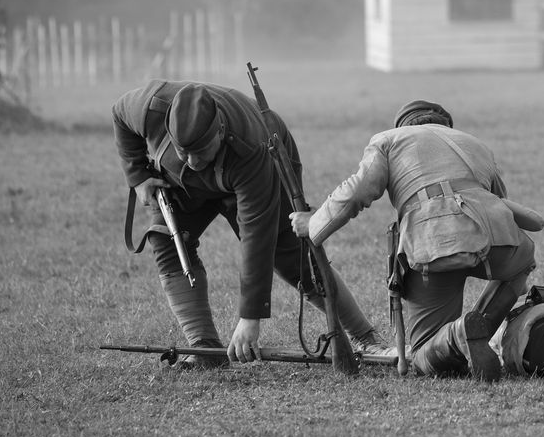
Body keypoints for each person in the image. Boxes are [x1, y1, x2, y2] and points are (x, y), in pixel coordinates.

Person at [113, 80, 388, 368]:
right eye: (184, 151)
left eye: (200, 151)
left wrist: (250, 317)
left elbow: (257, 236)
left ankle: (365, 336)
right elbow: (120, 113)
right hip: (184, 185)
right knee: (166, 239)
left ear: (219, 131)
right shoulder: (152, 106)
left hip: (262, 165)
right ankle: (204, 347)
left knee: (291, 257)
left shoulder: (252, 147)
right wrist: (138, 176)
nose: (193, 161)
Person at [289, 99, 542, 382]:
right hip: (497, 239)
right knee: (521, 262)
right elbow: (500, 199)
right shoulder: (475, 143)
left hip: (432, 245)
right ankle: (478, 326)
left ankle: (460, 335)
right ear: (445, 125)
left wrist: (314, 224)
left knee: (424, 354)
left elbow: (357, 192)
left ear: (403, 125)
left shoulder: (388, 140)